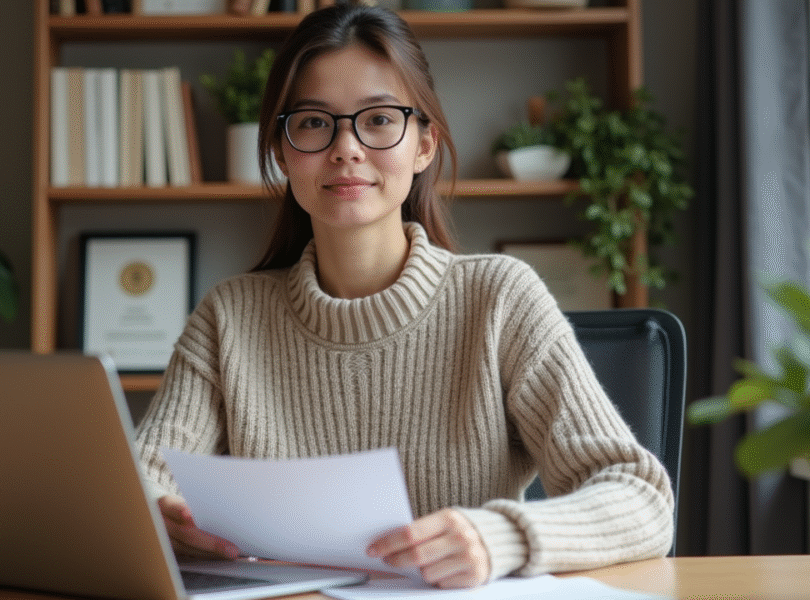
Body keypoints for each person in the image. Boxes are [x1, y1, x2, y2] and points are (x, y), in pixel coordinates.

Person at [135, 3, 674, 590]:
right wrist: (159, 518)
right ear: (284, 152)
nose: (346, 148)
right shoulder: (229, 316)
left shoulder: (499, 299)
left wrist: (502, 537)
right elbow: (137, 478)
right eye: (314, 122)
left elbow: (640, 499)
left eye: (379, 118)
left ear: (424, 145)